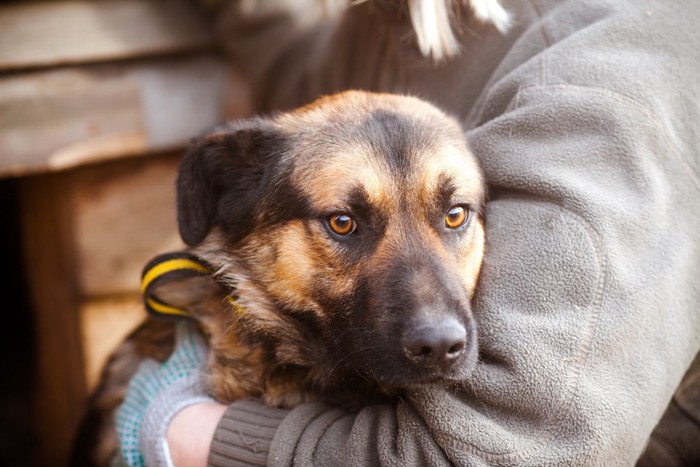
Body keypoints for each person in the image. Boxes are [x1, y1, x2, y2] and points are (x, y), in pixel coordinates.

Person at [115, 0, 700, 465]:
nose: (435, 325)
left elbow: (498, 454)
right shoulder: (393, 19)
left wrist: (187, 432)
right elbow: (296, 62)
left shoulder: (603, 95)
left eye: (453, 218)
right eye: (344, 224)